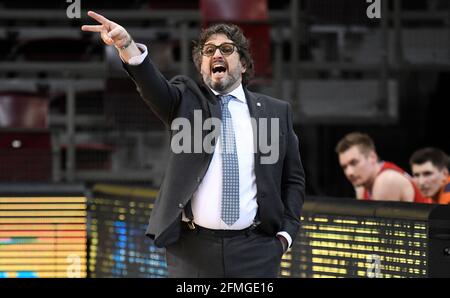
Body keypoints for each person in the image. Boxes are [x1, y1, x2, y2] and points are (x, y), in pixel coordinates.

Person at [81, 11, 305, 278]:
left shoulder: (276, 112)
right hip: (192, 252)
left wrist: (285, 236)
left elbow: (293, 180)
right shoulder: (186, 101)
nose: (217, 55)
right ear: (201, 67)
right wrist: (127, 45)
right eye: (209, 51)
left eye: (226, 49)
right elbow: (152, 86)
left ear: (243, 64)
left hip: (256, 250)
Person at [335, 132, 430, 203]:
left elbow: (379, 229)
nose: (349, 172)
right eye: (344, 167)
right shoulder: (362, 187)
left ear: (372, 157)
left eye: (354, 162)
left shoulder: (386, 181)